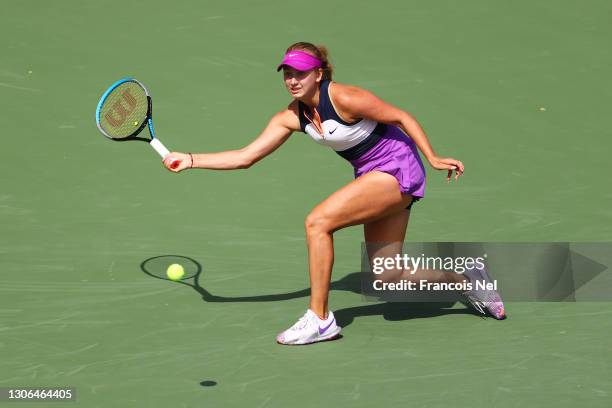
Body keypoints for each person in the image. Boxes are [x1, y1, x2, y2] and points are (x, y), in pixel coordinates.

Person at [163, 42, 506, 346]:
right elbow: (245, 157)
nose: (292, 80)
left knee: (318, 222)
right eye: (287, 74)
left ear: (319, 74)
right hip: (372, 176)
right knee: (388, 274)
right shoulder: (291, 116)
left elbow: (400, 116)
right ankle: (467, 278)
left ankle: (320, 319)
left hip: (396, 169)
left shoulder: (344, 97)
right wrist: (190, 159)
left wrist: (431, 157)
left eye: (300, 73)